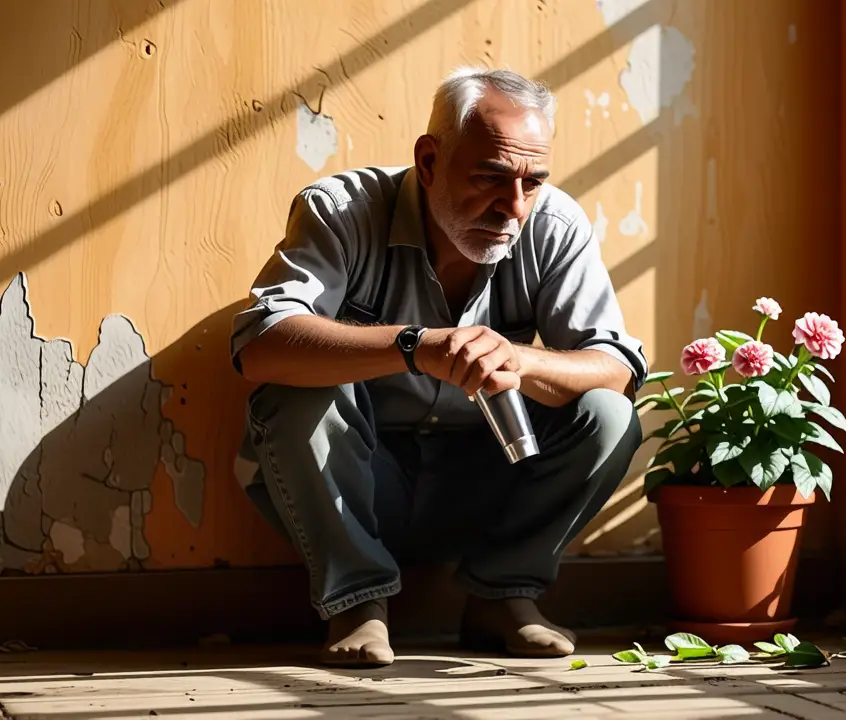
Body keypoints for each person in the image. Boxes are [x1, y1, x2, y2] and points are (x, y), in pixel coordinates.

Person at [229, 66, 647, 668]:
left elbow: (617, 367)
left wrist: (520, 357)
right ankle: (357, 604)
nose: (514, 206)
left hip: (488, 479)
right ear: (428, 161)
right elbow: (260, 344)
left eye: (533, 182)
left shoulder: (554, 224)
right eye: (491, 177)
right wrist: (413, 345)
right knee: (294, 391)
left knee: (609, 413)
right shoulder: (341, 211)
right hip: (361, 481)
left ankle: (504, 596)